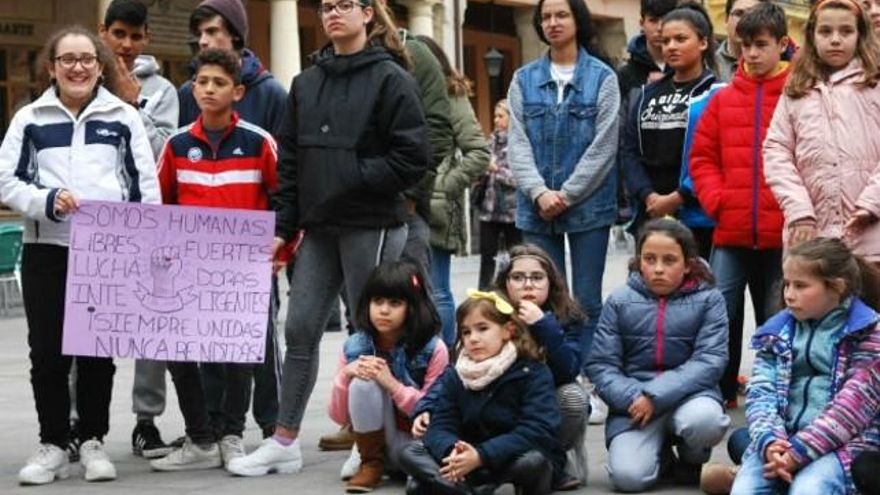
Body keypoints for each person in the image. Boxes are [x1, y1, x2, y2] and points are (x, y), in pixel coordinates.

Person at [226, 0, 429, 476]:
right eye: (327, 6)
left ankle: (370, 442)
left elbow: (413, 155)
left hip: (371, 221)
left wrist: (351, 175)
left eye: (345, 5)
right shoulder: (306, 82)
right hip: (318, 227)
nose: (333, 13)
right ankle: (284, 439)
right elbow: (290, 160)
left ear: (368, 14)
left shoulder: (391, 77)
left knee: (371, 333)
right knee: (299, 330)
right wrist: (283, 227)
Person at [0, 25, 159, 484]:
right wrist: (47, 201)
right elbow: (7, 181)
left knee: (96, 353)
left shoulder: (122, 117)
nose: (78, 67)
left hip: (106, 254)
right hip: (46, 248)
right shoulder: (29, 118)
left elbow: (144, 187)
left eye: (86, 59)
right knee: (47, 352)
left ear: (100, 65)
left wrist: (140, 244)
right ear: (51, 67)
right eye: (67, 59)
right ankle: (52, 443)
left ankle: (92, 441)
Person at [148, 48, 278, 472]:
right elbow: (160, 205)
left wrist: (282, 250)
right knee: (180, 351)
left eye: (219, 83)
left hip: (243, 272)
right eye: (201, 81)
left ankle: (232, 436)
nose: (208, 89)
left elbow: (284, 202)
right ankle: (200, 437)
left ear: (237, 91)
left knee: (240, 356)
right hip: (187, 273)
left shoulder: (260, 143)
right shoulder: (177, 144)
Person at [181, 0, 289, 444]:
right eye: (200, 34)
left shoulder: (272, 94)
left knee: (260, 340)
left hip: (255, 245)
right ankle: (215, 429)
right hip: (203, 248)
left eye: (212, 31)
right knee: (209, 340)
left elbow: (286, 174)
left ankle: (272, 425)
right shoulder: (191, 93)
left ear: (236, 37)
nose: (204, 40)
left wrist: (283, 239)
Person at [507, 0, 619, 377]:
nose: (552, 23)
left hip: (588, 206)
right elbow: (517, 144)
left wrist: (567, 194)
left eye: (561, 15)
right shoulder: (523, 79)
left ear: (577, 20)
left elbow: (605, 145)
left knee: (587, 298)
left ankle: (588, 377)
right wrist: (539, 191)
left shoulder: (602, 77)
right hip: (535, 207)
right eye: (546, 17)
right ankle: (546, 376)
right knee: (539, 295)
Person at [690, 2, 791, 410]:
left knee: (778, 316)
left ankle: (776, 395)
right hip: (731, 231)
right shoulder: (722, 99)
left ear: (782, 44)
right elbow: (702, 159)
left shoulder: (798, 95)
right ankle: (719, 392)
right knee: (719, 315)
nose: (751, 54)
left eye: (761, 45)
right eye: (745, 45)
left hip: (782, 233)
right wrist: (719, 202)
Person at [586, 218, 730, 492]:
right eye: (649, 259)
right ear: (639, 261)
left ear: (688, 264)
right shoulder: (619, 301)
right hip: (634, 403)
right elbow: (602, 365)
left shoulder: (710, 299)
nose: (658, 269)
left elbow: (710, 361)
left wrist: (654, 395)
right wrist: (634, 397)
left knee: (706, 422)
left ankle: (691, 459)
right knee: (629, 479)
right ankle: (661, 457)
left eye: (669, 260)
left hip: (690, 396)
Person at [96, 0, 180, 460]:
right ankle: (79, 421)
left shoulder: (162, 89)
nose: (126, 45)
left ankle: (146, 421)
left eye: (135, 36)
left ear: (147, 38)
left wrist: (132, 102)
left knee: (151, 328)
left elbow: (163, 151)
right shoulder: (78, 80)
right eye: (119, 34)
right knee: (87, 327)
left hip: (148, 222)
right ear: (103, 32)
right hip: (94, 226)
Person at [730, 238, 880, 494]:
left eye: (800, 286)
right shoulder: (775, 334)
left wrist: (799, 452)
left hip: (841, 446)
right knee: (746, 489)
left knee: (809, 488)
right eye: (787, 284)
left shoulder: (868, 335)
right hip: (781, 443)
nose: (788, 294)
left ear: (836, 288)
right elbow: (761, 394)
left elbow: (849, 411)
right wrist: (770, 443)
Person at [399, 291, 562, 495]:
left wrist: (481, 455)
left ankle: (457, 489)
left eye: (482, 329)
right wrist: (453, 453)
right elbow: (440, 425)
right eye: (466, 332)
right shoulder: (456, 374)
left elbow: (537, 431)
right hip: (466, 463)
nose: (473, 339)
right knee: (410, 452)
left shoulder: (532, 372)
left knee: (533, 462)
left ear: (508, 331)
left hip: (507, 457)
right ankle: (467, 491)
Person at [764, 0, 880, 265]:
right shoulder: (797, 88)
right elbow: (776, 150)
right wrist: (799, 210)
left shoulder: (874, 82)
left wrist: (872, 203)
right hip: (811, 233)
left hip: (870, 232)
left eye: (846, 32)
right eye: (826, 32)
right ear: (812, 35)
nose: (835, 40)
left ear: (860, 35)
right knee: (815, 303)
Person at [328, 261, 448, 492]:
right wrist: (344, 376)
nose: (383, 310)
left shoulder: (433, 349)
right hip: (377, 438)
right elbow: (339, 416)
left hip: (419, 442)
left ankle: (406, 466)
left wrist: (392, 384)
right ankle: (370, 463)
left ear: (412, 307)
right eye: (377, 301)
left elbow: (436, 412)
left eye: (395, 303)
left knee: (417, 466)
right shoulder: (355, 345)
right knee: (363, 383)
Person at [621, 2, 718, 260]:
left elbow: (716, 155)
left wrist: (679, 196)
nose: (671, 47)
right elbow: (628, 151)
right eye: (665, 41)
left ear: (703, 43)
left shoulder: (717, 94)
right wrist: (648, 195)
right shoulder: (644, 94)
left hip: (697, 215)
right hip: (649, 211)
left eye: (680, 39)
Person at [415, 34, 490, 348]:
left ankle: (444, 361)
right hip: (399, 202)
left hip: (435, 209)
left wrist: (443, 187)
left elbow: (478, 153)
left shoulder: (450, 94)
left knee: (439, 289)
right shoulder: (398, 89)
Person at [493, 243, 588, 490]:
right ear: (505, 282)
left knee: (573, 397)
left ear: (551, 282)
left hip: (548, 403)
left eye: (537, 277)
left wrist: (543, 325)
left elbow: (568, 371)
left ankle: (552, 461)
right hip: (503, 402)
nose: (528, 284)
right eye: (517, 277)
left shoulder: (568, 315)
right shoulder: (490, 311)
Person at [474, 99, 521, 290]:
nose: (496, 120)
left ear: (512, 118)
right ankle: (483, 295)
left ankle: (514, 292)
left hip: (512, 213)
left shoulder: (520, 144)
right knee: (487, 258)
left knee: (515, 258)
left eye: (501, 116)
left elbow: (519, 179)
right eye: (495, 116)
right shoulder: (490, 141)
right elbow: (478, 168)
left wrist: (494, 169)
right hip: (489, 210)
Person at [715, 0, 769, 82]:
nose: (744, 21)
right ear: (726, 20)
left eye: (753, 15)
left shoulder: (774, 67)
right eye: (739, 14)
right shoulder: (706, 64)